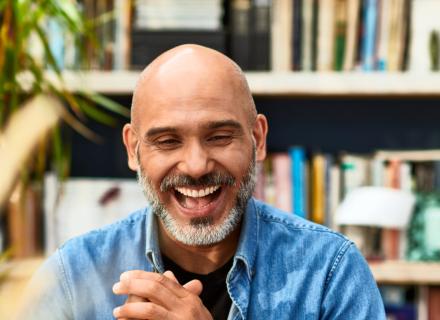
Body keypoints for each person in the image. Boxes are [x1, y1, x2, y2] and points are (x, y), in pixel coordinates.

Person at [19, 44, 385, 319]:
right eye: (167, 141)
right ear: (133, 149)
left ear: (257, 139)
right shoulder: (71, 276)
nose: (195, 166)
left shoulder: (330, 272)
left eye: (219, 136)